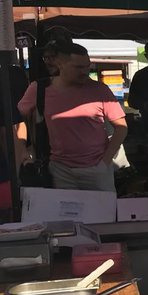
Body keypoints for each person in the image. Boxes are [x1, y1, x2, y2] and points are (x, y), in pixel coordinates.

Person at [17, 42, 127, 192]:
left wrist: (105, 162)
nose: (85, 71)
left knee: (102, 214)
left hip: (96, 169)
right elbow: (18, 120)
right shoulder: (39, 89)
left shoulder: (100, 90)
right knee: (65, 214)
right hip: (60, 170)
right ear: (60, 64)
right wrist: (23, 151)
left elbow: (121, 128)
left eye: (87, 66)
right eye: (78, 67)